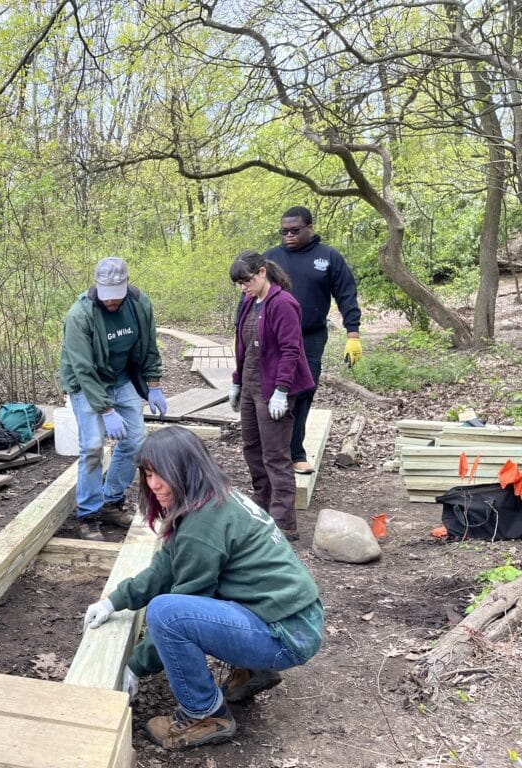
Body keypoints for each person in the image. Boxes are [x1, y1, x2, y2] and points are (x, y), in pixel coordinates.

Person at [83, 426, 324, 751]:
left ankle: (204, 715)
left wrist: (135, 665)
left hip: (287, 635)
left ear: (186, 469)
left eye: (161, 474)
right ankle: (252, 670)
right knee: (192, 602)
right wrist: (113, 602)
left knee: (165, 613)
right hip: (293, 619)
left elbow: (182, 603)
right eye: (147, 474)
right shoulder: (212, 498)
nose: (153, 485)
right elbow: (165, 567)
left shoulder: (203, 522)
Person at [59, 256, 168, 542]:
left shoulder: (139, 304)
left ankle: (110, 502)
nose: (111, 303)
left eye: (116, 297)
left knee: (136, 441)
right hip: (87, 384)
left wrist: (153, 383)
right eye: (106, 298)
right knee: (93, 446)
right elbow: (82, 370)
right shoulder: (79, 315)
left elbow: (149, 347)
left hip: (121, 379)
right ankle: (88, 513)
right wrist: (106, 410)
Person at [263, 206, 362, 474]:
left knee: (304, 391)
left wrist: (352, 333)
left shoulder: (328, 257)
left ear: (310, 227)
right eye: (284, 231)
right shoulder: (270, 258)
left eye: (295, 231)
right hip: (273, 338)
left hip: (311, 336)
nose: (289, 236)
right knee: (272, 390)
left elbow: (346, 294)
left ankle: (296, 452)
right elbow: (250, 295)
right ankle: (271, 450)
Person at [229, 250, 315, 540]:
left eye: (248, 280)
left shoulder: (283, 304)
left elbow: (291, 350)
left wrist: (281, 390)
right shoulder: (248, 302)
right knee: (252, 449)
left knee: (275, 454)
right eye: (240, 283)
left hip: (273, 388)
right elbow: (242, 345)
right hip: (251, 385)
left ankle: (284, 521)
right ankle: (262, 507)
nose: (244, 287)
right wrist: (236, 382)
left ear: (262, 272)